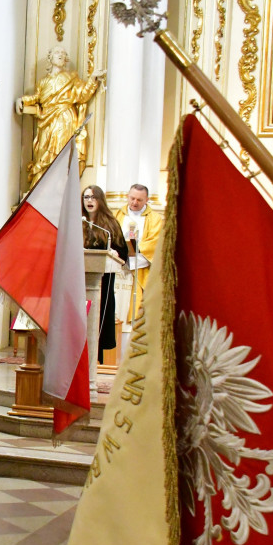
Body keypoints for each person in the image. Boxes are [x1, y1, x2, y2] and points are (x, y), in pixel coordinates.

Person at [16, 46, 105, 187]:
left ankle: (58, 187)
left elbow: (82, 95)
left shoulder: (71, 78)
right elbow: (37, 97)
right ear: (50, 58)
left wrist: (92, 79)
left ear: (66, 60)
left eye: (63, 53)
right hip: (46, 121)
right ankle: (41, 187)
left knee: (59, 153)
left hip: (64, 118)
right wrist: (23, 100)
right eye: (57, 52)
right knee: (43, 152)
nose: (61, 55)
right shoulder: (43, 81)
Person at [81, 186, 128, 363]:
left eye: (93, 197)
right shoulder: (78, 222)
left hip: (102, 284)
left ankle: (94, 360)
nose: (89, 201)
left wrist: (115, 254)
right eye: (86, 197)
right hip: (79, 281)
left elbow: (122, 253)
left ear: (100, 200)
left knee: (98, 321)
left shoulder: (110, 225)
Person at [113, 183, 164, 318]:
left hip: (140, 272)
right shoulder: (117, 215)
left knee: (135, 312)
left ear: (147, 200)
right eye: (132, 198)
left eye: (139, 200)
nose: (134, 203)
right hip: (117, 268)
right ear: (127, 196)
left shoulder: (155, 219)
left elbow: (155, 244)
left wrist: (131, 259)